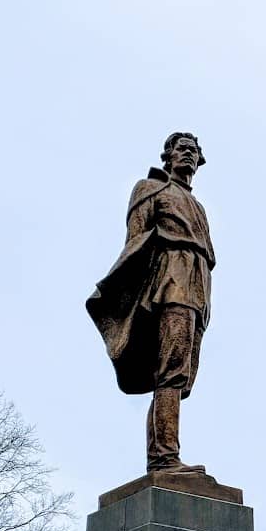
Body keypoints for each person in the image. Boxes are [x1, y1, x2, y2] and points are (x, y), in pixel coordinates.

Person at [86, 132, 215, 475]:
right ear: (168, 155)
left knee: (179, 378)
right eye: (181, 148)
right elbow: (135, 244)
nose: (188, 154)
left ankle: (162, 456)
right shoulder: (150, 189)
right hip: (170, 282)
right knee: (171, 371)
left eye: (193, 151)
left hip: (197, 286)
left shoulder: (198, 207)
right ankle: (164, 458)